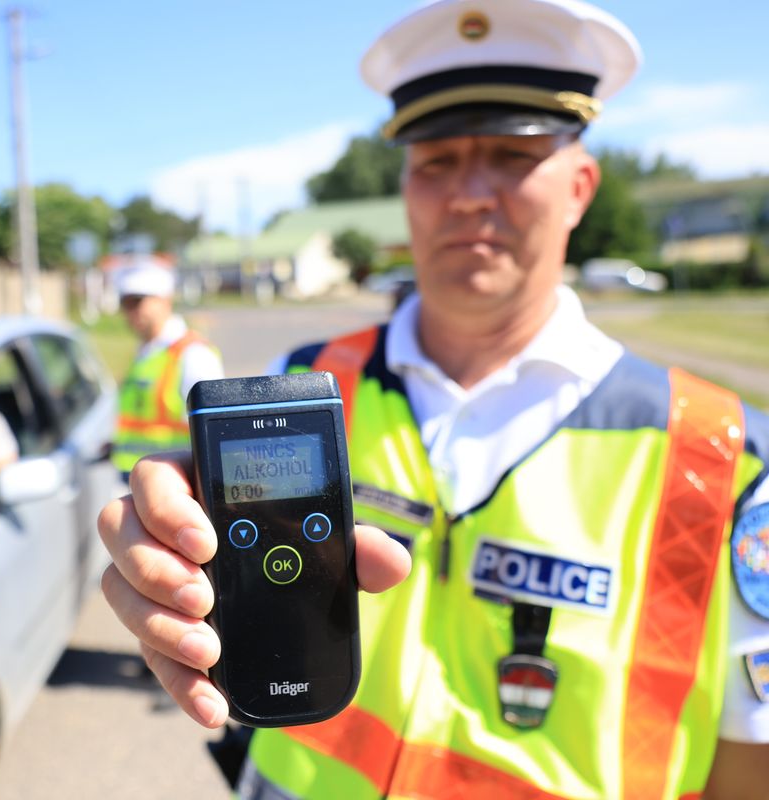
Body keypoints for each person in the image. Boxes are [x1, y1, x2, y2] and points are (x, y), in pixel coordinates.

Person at [96, 1, 769, 797]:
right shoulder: (301, 385)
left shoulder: (719, 457)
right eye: (436, 160)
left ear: (581, 185)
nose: (468, 194)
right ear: (406, 189)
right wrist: (169, 577)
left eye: (513, 155)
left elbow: (748, 762)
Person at [110, 257, 224, 482]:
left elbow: (214, 430)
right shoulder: (147, 351)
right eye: (125, 303)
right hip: (138, 477)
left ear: (166, 300)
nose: (130, 312)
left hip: (174, 482)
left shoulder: (193, 355)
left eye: (138, 301)